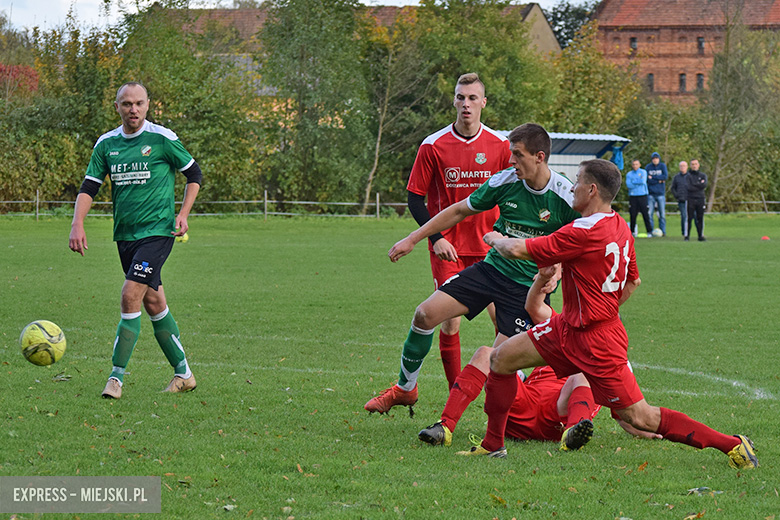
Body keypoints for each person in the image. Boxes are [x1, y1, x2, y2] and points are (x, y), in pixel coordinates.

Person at [457, 158, 758, 471]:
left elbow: (518, 250)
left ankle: (733, 444)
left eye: (577, 182)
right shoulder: (620, 226)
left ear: (591, 189)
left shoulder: (582, 230)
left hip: (598, 340)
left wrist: (493, 238)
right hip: (567, 328)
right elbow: (633, 280)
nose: (571, 187)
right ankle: (493, 445)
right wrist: (602, 307)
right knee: (500, 358)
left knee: (640, 417)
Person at [364, 123, 579, 415]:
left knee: (499, 360)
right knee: (425, 314)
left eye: (517, 154)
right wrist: (413, 238)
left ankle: (519, 413)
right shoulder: (504, 181)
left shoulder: (566, 195)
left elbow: (584, 240)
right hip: (491, 271)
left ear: (539, 157)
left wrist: (559, 271)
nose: (511, 160)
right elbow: (458, 210)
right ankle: (406, 389)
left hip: (527, 290)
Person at [417, 264, 659, 453]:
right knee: (486, 353)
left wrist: (644, 428)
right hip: (521, 407)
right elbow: (533, 306)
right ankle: (445, 426)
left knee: (584, 373)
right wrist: (544, 279)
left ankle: (575, 430)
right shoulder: (558, 324)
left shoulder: (610, 353)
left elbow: (625, 410)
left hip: (560, 415)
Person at [69, 82, 202, 399]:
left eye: (139, 103)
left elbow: (194, 174)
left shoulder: (162, 139)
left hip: (158, 232)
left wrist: (182, 213)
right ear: (117, 107)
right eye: (127, 103)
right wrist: (77, 222)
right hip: (125, 237)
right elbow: (89, 187)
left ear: (148, 105)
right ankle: (183, 374)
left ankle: (115, 379)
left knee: (130, 295)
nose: (133, 109)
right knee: (153, 302)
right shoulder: (107, 144)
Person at [406, 73, 512, 390]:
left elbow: (511, 195)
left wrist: (508, 238)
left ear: (483, 103)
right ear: (454, 100)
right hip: (448, 248)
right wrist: (436, 239)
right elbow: (415, 197)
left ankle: (510, 390)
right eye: (460, 97)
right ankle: (456, 392)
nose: (466, 104)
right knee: (449, 321)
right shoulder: (433, 146)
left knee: (505, 322)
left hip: (490, 250)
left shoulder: (500, 146)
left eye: (472, 98)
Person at [625, 159, 653, 237]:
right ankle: (632, 231)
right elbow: (628, 185)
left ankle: (649, 231)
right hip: (633, 196)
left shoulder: (643, 172)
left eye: (636, 164)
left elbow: (643, 181)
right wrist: (637, 182)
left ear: (639, 165)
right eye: (633, 164)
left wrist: (633, 181)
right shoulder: (629, 174)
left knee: (645, 214)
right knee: (633, 214)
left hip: (642, 195)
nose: (635, 166)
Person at [644, 152, 668, 236]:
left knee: (662, 214)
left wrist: (653, 178)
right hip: (650, 194)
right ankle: (651, 231)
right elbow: (647, 180)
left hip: (660, 194)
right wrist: (658, 180)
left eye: (656, 158)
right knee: (650, 213)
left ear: (659, 159)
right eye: (653, 158)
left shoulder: (662, 166)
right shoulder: (648, 167)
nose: (655, 160)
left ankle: (663, 232)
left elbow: (665, 177)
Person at [685, 159, 708, 242]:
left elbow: (704, 185)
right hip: (690, 198)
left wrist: (695, 184)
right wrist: (698, 184)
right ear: (690, 165)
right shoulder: (688, 176)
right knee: (689, 218)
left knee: (700, 217)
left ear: (698, 165)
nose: (694, 165)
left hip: (700, 198)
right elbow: (689, 187)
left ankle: (700, 235)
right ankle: (687, 236)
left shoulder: (703, 175)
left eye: (696, 164)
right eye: (692, 164)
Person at [670, 161, 689, 238]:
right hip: (681, 200)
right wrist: (677, 196)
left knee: (694, 216)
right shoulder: (676, 177)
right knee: (684, 216)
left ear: (687, 167)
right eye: (681, 166)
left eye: (684, 166)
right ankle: (684, 232)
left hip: (690, 200)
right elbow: (673, 188)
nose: (682, 167)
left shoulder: (690, 176)